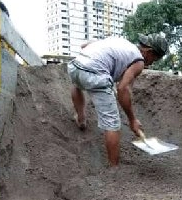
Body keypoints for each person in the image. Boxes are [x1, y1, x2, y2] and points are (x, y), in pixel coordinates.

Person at [67, 33, 168, 165]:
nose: (151, 64)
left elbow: (85, 45)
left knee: (78, 84)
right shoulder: (139, 61)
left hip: (75, 66)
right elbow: (122, 89)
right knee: (112, 124)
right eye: (153, 60)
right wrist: (132, 120)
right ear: (149, 52)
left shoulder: (121, 42)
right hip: (94, 74)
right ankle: (114, 170)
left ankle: (81, 119)